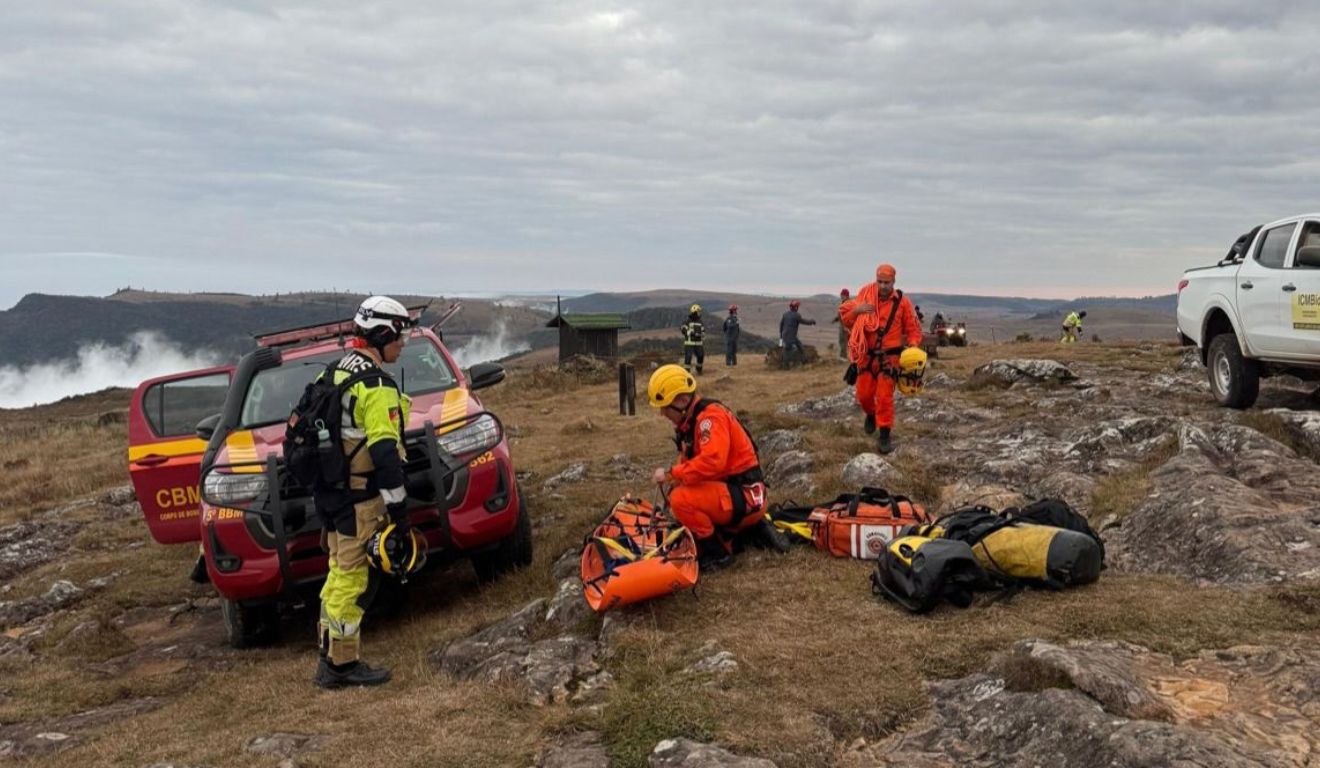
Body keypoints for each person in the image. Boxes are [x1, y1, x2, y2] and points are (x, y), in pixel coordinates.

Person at [315, 295, 416, 689]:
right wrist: (401, 514)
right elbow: (385, 454)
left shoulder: (337, 370)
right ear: (382, 333)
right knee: (352, 581)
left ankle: (329, 654)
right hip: (360, 499)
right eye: (400, 334)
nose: (403, 343)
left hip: (332, 495)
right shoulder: (375, 385)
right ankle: (340, 666)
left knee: (338, 573)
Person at [647, 365, 778, 571]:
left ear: (682, 401)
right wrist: (676, 478)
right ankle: (737, 533)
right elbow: (693, 466)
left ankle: (718, 554)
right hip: (742, 496)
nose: (662, 413)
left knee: (681, 500)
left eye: (665, 406)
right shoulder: (693, 421)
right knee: (679, 492)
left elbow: (712, 462)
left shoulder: (709, 419)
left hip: (745, 498)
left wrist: (671, 474)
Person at [840, 264, 922, 454]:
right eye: (880, 282)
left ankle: (884, 433)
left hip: (889, 358)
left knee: (885, 398)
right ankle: (870, 414)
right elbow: (847, 320)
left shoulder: (903, 303)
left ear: (894, 282)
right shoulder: (865, 297)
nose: (883, 286)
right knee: (864, 395)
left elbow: (913, 328)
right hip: (866, 357)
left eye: (887, 282)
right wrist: (857, 311)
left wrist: (913, 346)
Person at [778, 300, 816, 369]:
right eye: (797, 306)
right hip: (791, 337)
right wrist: (812, 321)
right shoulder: (796, 315)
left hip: (785, 335)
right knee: (789, 350)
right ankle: (785, 365)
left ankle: (804, 361)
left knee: (797, 346)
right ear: (796, 307)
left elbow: (781, 325)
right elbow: (804, 321)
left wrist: (781, 335)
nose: (797, 308)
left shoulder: (785, 314)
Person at [681, 304, 705, 374]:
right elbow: (683, 329)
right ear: (694, 312)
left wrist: (702, 334)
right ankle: (686, 373)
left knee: (701, 356)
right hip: (689, 343)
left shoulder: (700, 321)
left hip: (699, 343)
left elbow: (703, 330)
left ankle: (699, 370)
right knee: (688, 358)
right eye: (698, 311)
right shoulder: (687, 320)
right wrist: (691, 333)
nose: (699, 313)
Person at [832, 289, 851, 359]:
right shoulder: (843, 303)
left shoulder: (848, 304)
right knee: (841, 340)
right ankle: (843, 356)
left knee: (844, 341)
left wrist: (846, 326)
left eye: (843, 295)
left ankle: (844, 357)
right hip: (842, 326)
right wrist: (836, 319)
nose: (841, 296)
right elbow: (841, 315)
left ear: (847, 296)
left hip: (845, 326)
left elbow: (849, 315)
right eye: (841, 295)